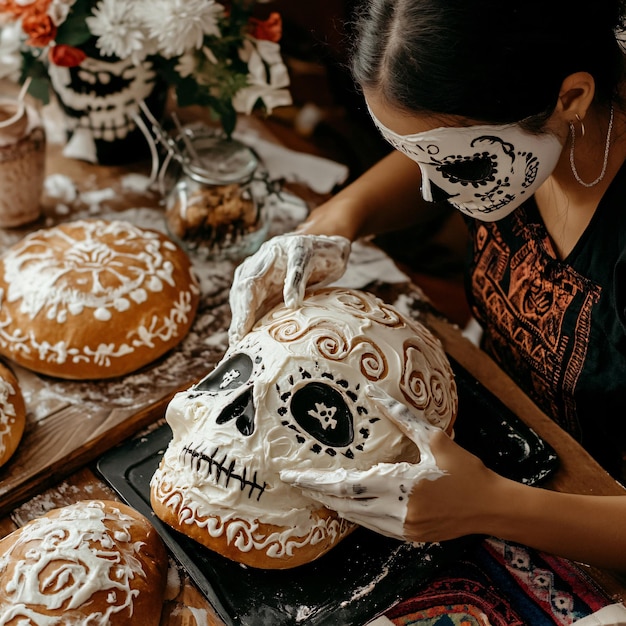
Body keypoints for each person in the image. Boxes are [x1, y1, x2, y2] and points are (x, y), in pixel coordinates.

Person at [228, 0, 626, 570]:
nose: (428, 189)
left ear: (570, 99)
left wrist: (491, 507)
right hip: (501, 412)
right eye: (412, 156)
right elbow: (439, 143)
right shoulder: (512, 137)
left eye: (456, 171)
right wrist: (335, 223)